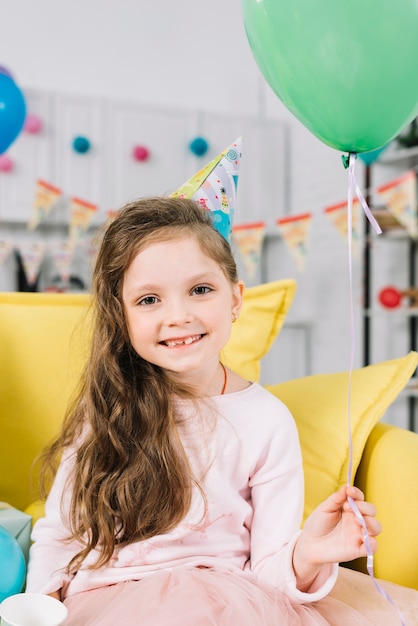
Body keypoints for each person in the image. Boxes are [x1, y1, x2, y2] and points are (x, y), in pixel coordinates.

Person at [26, 196, 418, 625]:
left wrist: (308, 553)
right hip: (111, 601)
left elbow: (269, 566)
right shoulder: (106, 411)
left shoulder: (265, 420)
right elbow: (61, 533)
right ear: (120, 316)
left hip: (233, 600)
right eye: (148, 300)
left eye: (200, 290)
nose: (177, 315)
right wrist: (37, 605)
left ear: (235, 299)